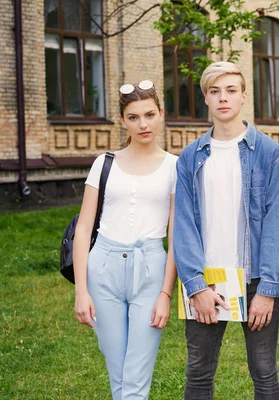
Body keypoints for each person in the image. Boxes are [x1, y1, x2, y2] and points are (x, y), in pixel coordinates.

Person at [173, 61, 279, 400]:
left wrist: (267, 290)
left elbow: (276, 223)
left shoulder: (269, 154)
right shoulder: (190, 157)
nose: (223, 98)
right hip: (206, 280)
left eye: (230, 90)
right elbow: (183, 224)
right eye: (214, 91)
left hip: (255, 280)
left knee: (265, 374)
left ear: (243, 97)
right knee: (198, 372)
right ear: (206, 99)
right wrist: (196, 287)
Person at [73, 80, 178, 399]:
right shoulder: (104, 163)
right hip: (102, 269)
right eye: (133, 117)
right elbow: (83, 227)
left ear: (161, 114)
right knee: (118, 373)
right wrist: (81, 291)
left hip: (150, 270)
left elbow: (176, 235)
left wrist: (165, 293)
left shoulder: (175, 167)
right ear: (122, 121)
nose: (142, 124)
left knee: (135, 378)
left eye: (149, 114)